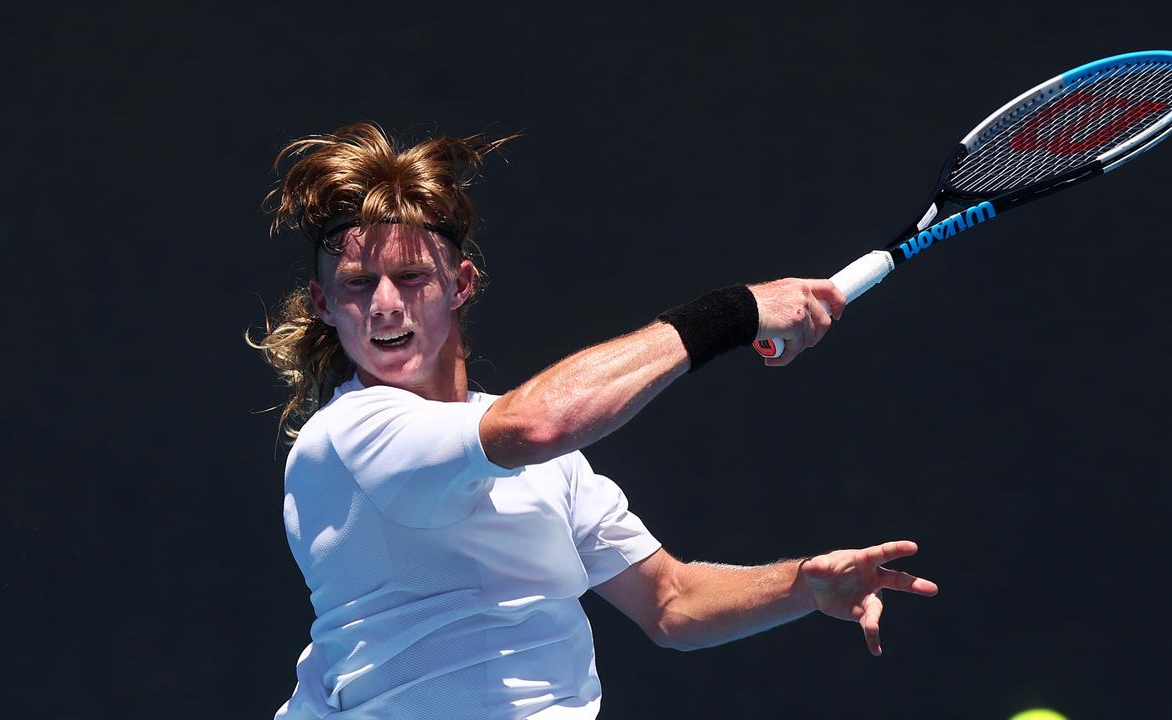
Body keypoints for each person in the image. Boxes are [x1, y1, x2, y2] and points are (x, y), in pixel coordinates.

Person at [251, 122, 938, 720]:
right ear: (323, 304)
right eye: (357, 285)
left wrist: (802, 587)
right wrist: (735, 312)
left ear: (461, 284)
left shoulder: (543, 463)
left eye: (410, 277)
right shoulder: (349, 436)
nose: (385, 306)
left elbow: (671, 601)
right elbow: (540, 425)